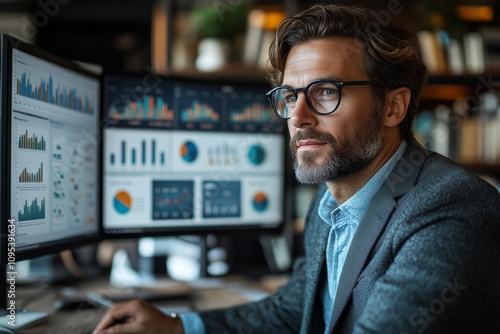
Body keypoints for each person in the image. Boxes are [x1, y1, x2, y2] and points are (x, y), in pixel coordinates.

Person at [93, 4, 500, 334]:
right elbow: (295, 310)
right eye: (290, 96)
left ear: (393, 106)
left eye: (326, 92)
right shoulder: (329, 201)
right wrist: (180, 327)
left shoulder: (451, 208)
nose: (298, 117)